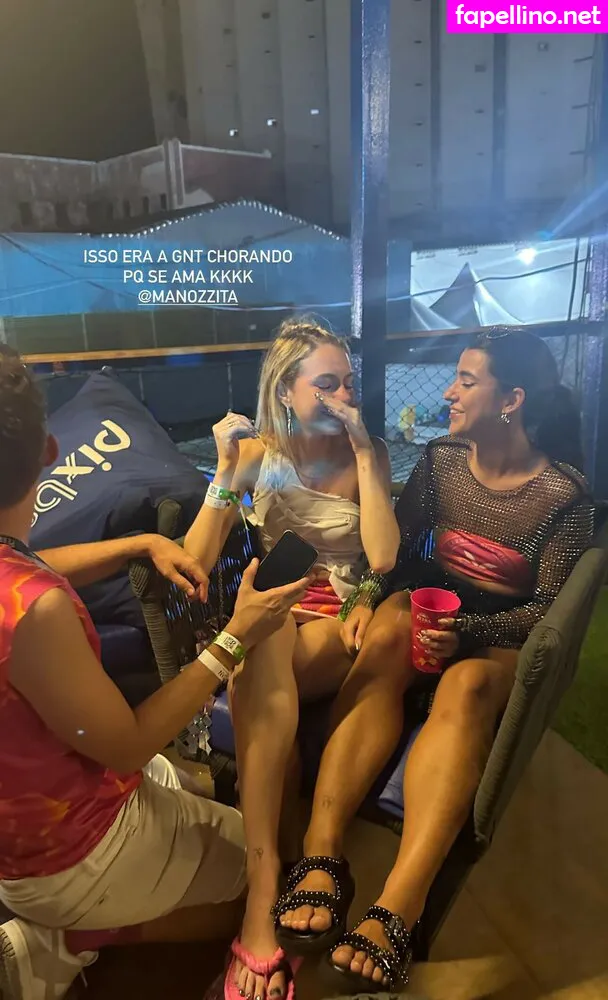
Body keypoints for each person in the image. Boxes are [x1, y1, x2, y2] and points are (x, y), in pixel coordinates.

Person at [271, 328, 595, 994]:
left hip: (498, 635)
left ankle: (402, 901)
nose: (449, 392)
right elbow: (402, 551)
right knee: (385, 638)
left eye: (466, 381)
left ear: (511, 400)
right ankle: (322, 853)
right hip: (428, 609)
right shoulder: (442, 460)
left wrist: (467, 631)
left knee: (468, 686)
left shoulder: (564, 495)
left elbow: (548, 610)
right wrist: (368, 596)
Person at [0, 345, 311, 1000]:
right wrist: (235, 639)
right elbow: (129, 745)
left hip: (19, 818)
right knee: (266, 879)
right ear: (49, 451)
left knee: (196, 789)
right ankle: (68, 940)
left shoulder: (19, 578)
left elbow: (32, 560)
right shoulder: (35, 609)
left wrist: (139, 541)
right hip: (61, 853)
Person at [183, 317, 400, 1000]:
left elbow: (383, 557)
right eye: (326, 384)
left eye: (349, 383)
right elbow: (195, 559)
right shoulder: (260, 454)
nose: (343, 396)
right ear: (286, 391)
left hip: (337, 621)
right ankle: (280, 881)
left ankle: (261, 895)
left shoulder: (369, 450)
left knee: (257, 661)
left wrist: (363, 451)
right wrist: (226, 471)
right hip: (271, 618)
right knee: (264, 642)